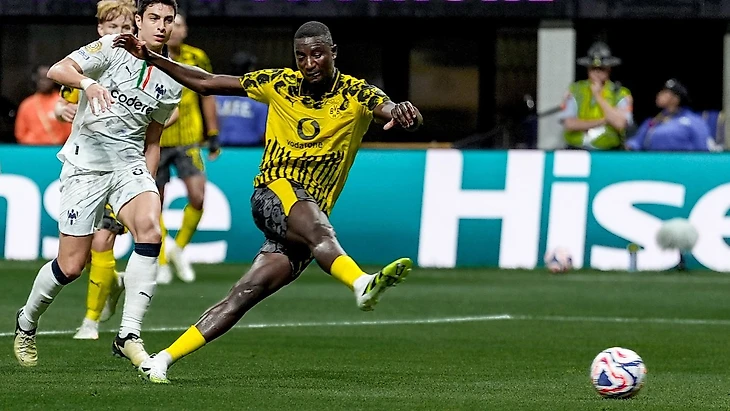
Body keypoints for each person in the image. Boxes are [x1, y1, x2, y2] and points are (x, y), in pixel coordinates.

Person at [113, 20, 423, 384]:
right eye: (301, 56)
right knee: (320, 229)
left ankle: (162, 360)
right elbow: (207, 82)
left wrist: (406, 114)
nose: (309, 63)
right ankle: (360, 283)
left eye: (317, 54)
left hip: (305, 217)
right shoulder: (278, 83)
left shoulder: (357, 94)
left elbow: (392, 110)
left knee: (244, 295)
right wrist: (151, 57)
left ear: (333, 53)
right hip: (274, 192)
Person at [13, 0, 182, 369]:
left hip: (129, 166)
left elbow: (153, 141)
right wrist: (88, 83)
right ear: (138, 20)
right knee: (71, 266)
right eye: (154, 18)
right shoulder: (111, 47)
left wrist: (147, 188)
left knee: (150, 230)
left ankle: (128, 334)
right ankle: (26, 320)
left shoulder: (172, 78)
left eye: (168, 19)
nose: (161, 25)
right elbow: (59, 70)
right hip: (85, 166)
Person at [52, 0, 136, 342]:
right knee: (81, 253)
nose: (120, 33)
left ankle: (90, 322)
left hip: (123, 166)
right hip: (85, 166)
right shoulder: (89, 62)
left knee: (103, 241)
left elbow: (171, 112)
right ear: (101, 29)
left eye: (126, 28)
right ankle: (112, 282)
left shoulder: (144, 64)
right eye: (113, 27)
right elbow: (62, 101)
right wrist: (61, 111)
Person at [156, 13, 219, 285]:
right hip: (156, 140)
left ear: (185, 30)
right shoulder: (149, 56)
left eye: (179, 24)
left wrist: (213, 133)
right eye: (171, 24)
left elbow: (208, 93)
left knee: (198, 196)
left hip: (188, 139)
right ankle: (160, 261)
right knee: (154, 204)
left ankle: (178, 248)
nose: (175, 29)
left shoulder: (197, 57)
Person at [559, 41, 633, 150]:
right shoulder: (575, 90)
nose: (597, 72)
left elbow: (620, 123)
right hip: (576, 150)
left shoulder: (621, 93)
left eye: (602, 68)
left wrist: (597, 95)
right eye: (593, 68)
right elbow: (569, 124)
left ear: (609, 68)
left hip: (608, 151)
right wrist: (604, 121)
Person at [625, 79, 711, 152]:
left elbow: (702, 147)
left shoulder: (693, 121)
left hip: (682, 163)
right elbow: (637, 142)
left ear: (676, 98)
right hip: (654, 163)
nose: (660, 94)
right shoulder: (654, 120)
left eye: (665, 92)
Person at [215, 51, 268, 147]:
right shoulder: (258, 101)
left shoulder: (216, 98)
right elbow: (264, 134)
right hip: (251, 152)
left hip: (220, 150)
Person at [14, 65, 72, 145]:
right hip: (31, 148)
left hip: (56, 148)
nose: (43, 82)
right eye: (40, 78)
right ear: (35, 79)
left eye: (47, 79)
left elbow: (69, 130)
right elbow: (20, 133)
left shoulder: (62, 102)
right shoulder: (27, 104)